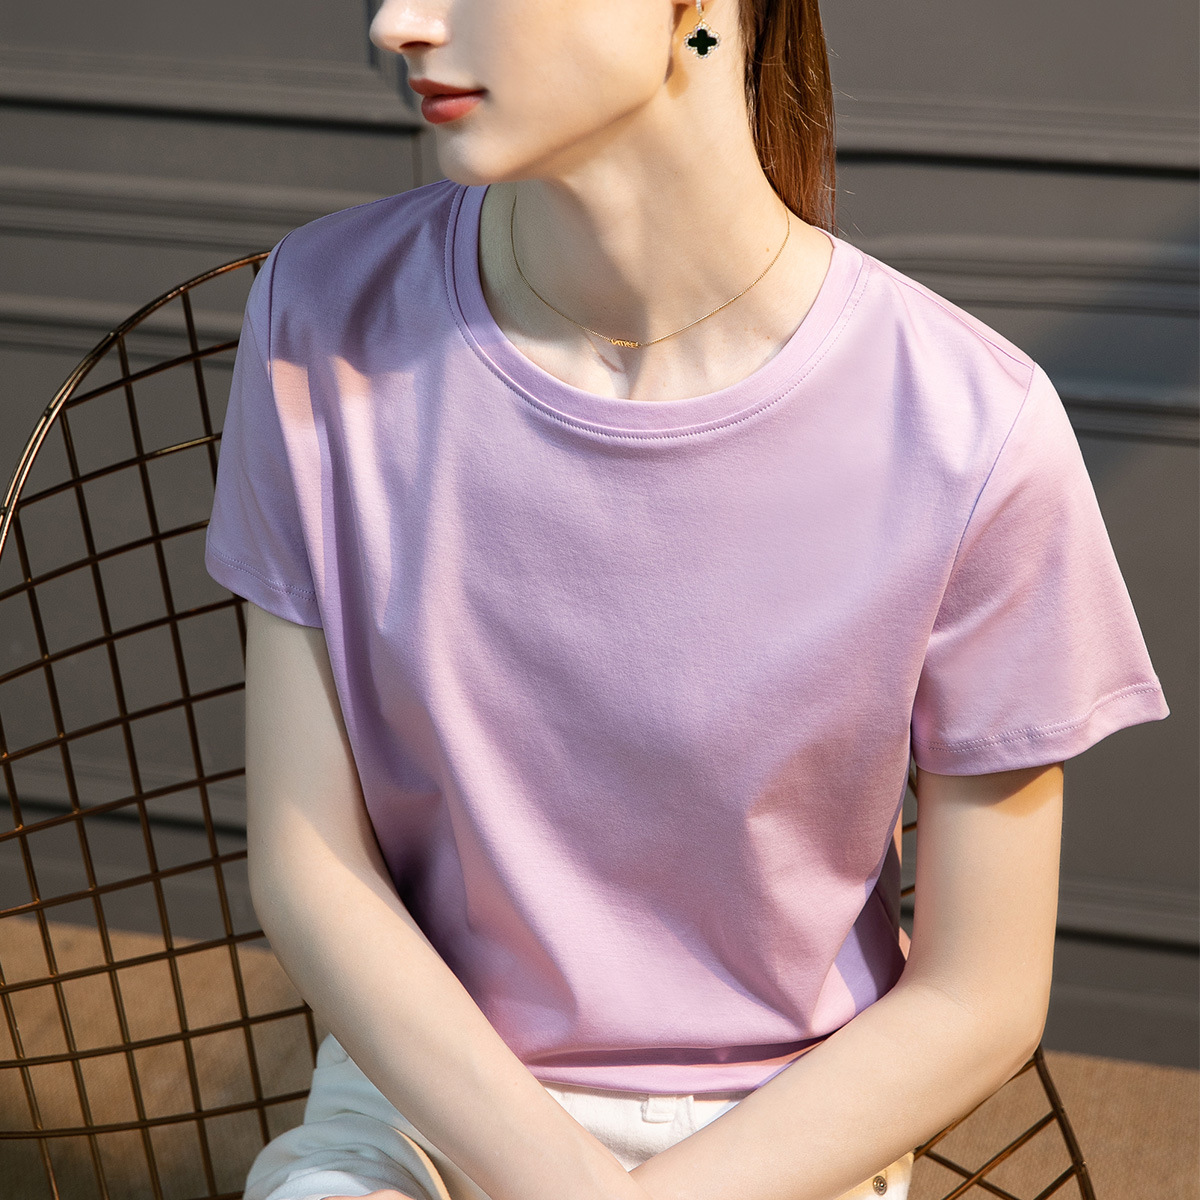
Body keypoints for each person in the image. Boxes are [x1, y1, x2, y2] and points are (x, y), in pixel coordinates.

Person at [203, 0, 1170, 1197]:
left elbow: (982, 994)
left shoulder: (973, 431)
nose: (399, 21)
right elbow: (309, 865)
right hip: (424, 1106)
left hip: (787, 1141)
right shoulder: (322, 317)